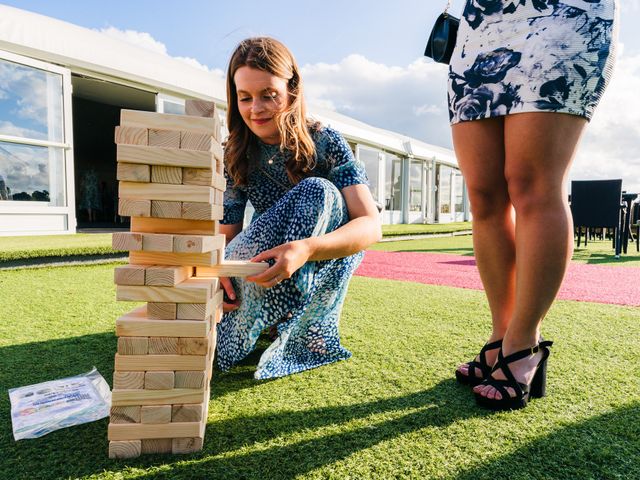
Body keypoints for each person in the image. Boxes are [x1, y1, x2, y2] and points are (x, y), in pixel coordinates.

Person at [449, 1, 618, 409]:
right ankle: (500, 334)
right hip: (481, 25)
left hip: (562, 15)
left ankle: (524, 343)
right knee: (484, 194)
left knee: (533, 185)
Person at [217, 37, 381, 380]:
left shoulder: (325, 140)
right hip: (266, 260)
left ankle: (291, 312)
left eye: (268, 95)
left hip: (323, 256)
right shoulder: (234, 151)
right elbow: (227, 237)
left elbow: (370, 225)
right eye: (244, 98)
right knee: (222, 350)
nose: (255, 109)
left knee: (317, 190)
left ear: (292, 90)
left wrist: (307, 248)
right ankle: (269, 310)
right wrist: (220, 277)